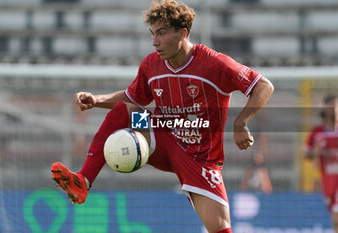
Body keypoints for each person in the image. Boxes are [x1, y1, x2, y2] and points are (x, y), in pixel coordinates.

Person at [51, 1, 274, 232]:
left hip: (199, 159)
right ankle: (83, 181)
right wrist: (96, 100)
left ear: (183, 33)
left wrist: (241, 122)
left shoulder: (213, 64)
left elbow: (264, 86)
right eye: (152, 34)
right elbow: (132, 97)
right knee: (124, 111)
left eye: (162, 33)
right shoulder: (151, 65)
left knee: (220, 228)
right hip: (161, 138)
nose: (154, 42)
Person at [305, 95, 338, 233]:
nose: (334, 109)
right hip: (327, 180)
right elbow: (306, 155)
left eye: (336, 106)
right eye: (331, 106)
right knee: (334, 218)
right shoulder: (317, 132)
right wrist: (315, 152)